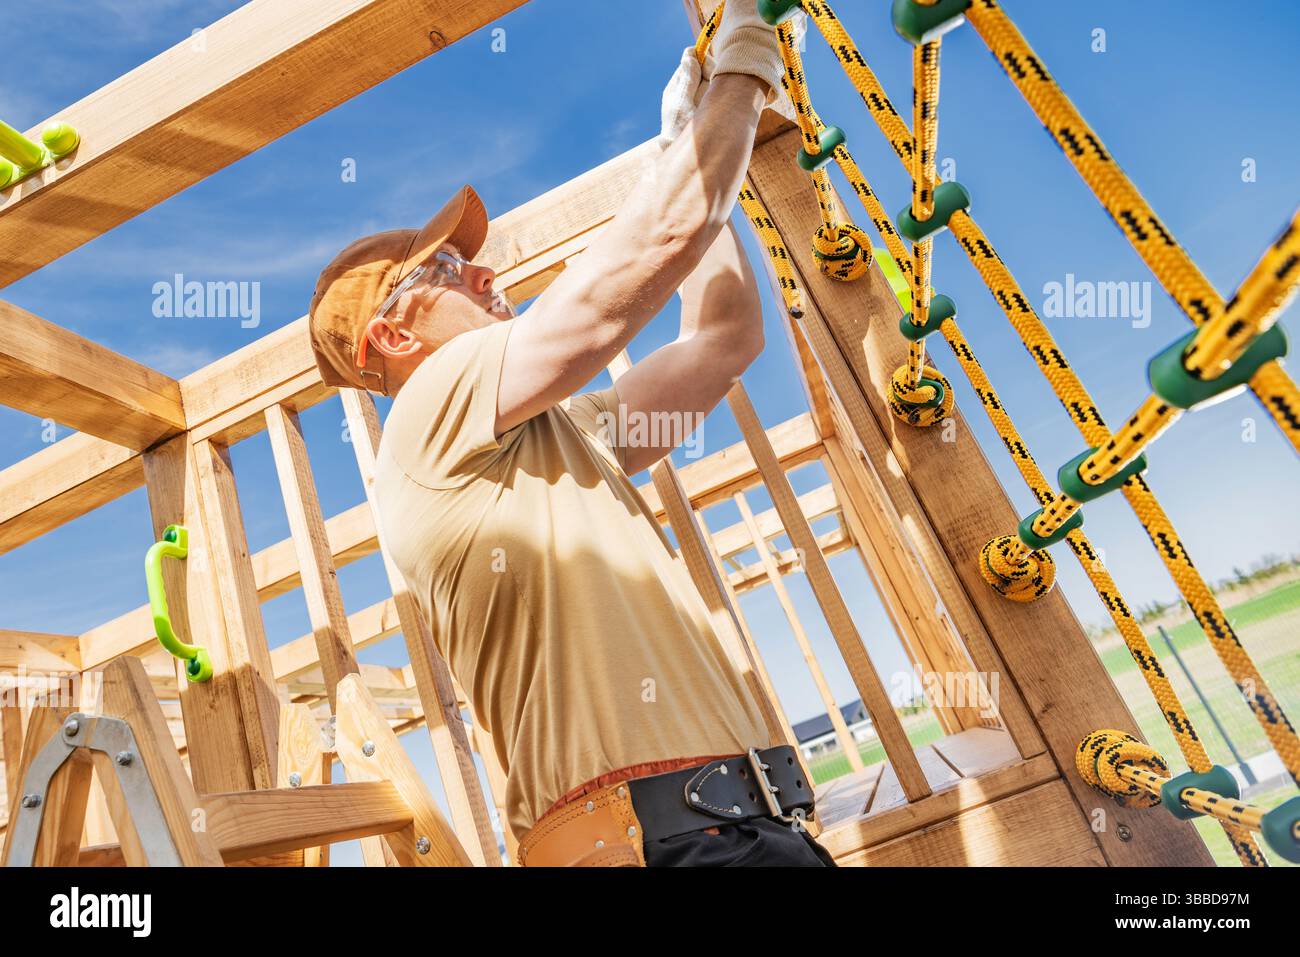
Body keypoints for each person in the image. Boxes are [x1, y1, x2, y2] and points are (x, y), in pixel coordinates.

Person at [306, 0, 834, 867]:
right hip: (653, 846)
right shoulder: (429, 413)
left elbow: (724, 337)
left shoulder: (543, 437)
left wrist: (684, 153)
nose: (484, 270)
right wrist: (743, 64)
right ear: (394, 339)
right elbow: (648, 250)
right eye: (445, 269)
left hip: (730, 829)